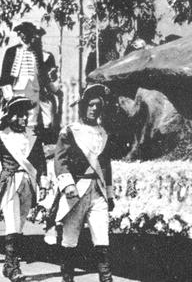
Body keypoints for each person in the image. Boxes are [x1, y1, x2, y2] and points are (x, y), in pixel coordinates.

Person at [45, 84, 115, 282]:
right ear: (83, 106)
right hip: (76, 190)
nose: (94, 109)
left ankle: (106, 278)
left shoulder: (103, 134)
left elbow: (106, 167)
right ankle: (68, 278)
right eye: (90, 105)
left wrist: (109, 194)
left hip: (98, 191)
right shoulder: (70, 131)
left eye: (98, 106)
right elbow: (60, 160)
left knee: (102, 237)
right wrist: (67, 185)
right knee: (70, 238)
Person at [0, 97, 49, 282]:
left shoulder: (32, 137)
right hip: (9, 184)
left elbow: (41, 163)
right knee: (12, 225)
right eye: (20, 115)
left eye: (26, 115)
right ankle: (14, 268)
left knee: (20, 226)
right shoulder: (1, 137)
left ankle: (8, 265)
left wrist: (43, 184)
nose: (24, 119)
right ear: (11, 116)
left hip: (28, 183)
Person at [0, 22, 59, 140]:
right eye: (22, 33)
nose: (25, 36)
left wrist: (48, 88)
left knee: (32, 117)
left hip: (33, 89)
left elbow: (42, 74)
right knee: (15, 115)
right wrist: (8, 92)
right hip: (16, 90)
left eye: (28, 33)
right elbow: (5, 74)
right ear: (19, 35)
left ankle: (30, 141)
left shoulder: (38, 53)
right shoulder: (11, 52)